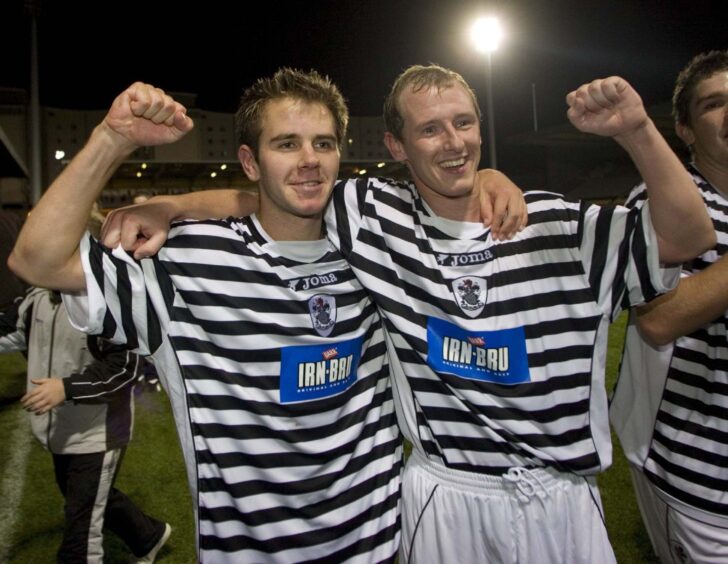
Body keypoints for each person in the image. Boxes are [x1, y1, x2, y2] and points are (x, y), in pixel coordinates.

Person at [97, 64, 717, 562]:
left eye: (465, 123)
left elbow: (687, 239)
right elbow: (278, 195)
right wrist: (170, 206)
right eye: (430, 130)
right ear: (396, 144)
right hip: (446, 495)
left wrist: (637, 130)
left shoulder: (559, 223)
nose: (453, 142)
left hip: (563, 496)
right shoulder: (374, 220)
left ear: (480, 128)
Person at [610, 50, 728, 563]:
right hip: (700, 474)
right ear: (684, 129)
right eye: (714, 105)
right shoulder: (663, 201)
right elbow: (659, 319)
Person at [0, 287, 170, 563]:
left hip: (98, 434)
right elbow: (13, 331)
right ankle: (148, 535)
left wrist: (66, 388)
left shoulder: (104, 302)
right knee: (82, 496)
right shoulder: (36, 299)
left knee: (80, 536)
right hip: (62, 430)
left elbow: (126, 368)